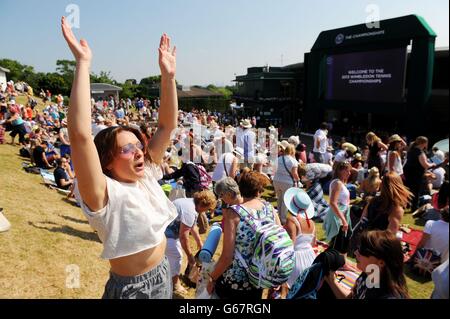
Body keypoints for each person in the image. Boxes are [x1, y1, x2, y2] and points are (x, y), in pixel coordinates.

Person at [62, 17, 178, 299]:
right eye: (127, 149)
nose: (139, 151)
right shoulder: (102, 192)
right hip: (132, 290)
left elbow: (167, 126)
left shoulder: (146, 175)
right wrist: (83, 63)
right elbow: (80, 135)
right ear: (106, 162)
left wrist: (169, 78)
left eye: (138, 145)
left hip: (163, 274)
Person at [207, 171, 276, 299]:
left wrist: (212, 277)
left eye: (221, 196)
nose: (221, 199)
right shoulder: (270, 208)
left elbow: (227, 257)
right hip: (260, 276)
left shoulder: (233, 214)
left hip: (236, 280)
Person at [325, 230, 409, 299]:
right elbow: (352, 297)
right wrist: (331, 280)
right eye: (358, 248)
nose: (355, 253)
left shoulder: (388, 296)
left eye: (362, 251)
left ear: (381, 263)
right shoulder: (371, 274)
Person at [165, 191, 217, 295]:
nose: (206, 212)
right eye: (207, 209)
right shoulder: (190, 211)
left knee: (168, 257)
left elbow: (192, 226)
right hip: (166, 234)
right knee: (177, 256)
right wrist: (190, 257)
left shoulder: (189, 202)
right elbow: (183, 237)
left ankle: (168, 277)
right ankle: (175, 284)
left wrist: (199, 241)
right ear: (203, 204)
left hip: (165, 231)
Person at [283, 188, 317, 294]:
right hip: (311, 258)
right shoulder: (312, 223)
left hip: (296, 259)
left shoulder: (291, 221)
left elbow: (290, 245)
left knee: (288, 292)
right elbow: (313, 243)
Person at [323, 162, 352, 252]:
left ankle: (339, 263)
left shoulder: (341, 183)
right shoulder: (338, 183)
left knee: (342, 243)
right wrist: (343, 220)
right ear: (340, 171)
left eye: (349, 171)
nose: (349, 173)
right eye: (347, 170)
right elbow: (333, 202)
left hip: (342, 214)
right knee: (336, 246)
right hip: (338, 216)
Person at [404, 137, 437, 211]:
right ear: (424, 143)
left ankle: (406, 204)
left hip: (408, 172)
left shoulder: (410, 150)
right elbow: (425, 165)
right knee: (416, 191)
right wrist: (432, 164)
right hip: (416, 174)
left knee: (408, 189)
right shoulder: (420, 152)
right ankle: (414, 208)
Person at [273, 144, 301, 224]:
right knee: (285, 201)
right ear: (292, 151)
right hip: (287, 182)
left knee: (279, 199)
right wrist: (298, 180)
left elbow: (274, 170)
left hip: (276, 180)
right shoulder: (293, 161)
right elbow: (295, 174)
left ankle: (278, 217)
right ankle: (283, 219)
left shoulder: (278, 159)